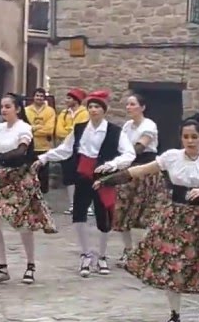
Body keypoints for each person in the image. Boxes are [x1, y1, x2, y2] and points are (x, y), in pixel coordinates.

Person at [98, 118, 199, 322]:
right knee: (172, 264)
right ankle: (174, 315)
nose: (190, 141)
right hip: (176, 217)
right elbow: (138, 171)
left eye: (194, 137)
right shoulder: (171, 157)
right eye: (186, 137)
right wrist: (107, 180)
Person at [35, 90, 135, 277]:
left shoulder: (115, 131)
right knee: (79, 215)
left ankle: (102, 256)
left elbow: (129, 154)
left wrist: (112, 165)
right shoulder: (80, 128)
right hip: (82, 174)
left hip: (103, 177)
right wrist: (44, 158)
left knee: (103, 217)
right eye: (90, 106)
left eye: (97, 107)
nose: (93, 110)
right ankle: (86, 254)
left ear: (104, 110)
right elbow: (65, 150)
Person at [0, 94, 57, 284]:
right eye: (2, 107)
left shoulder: (24, 128)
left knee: (23, 221)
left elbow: (20, 153)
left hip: (20, 178)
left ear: (18, 109)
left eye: (8, 107)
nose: (4, 110)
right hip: (0, 178)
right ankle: (2, 267)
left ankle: (30, 265)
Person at [113, 93, 162, 264]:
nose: (129, 108)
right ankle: (128, 249)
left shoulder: (149, 125)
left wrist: (123, 156)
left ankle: (146, 252)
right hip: (128, 169)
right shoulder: (127, 126)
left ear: (142, 107)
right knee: (123, 210)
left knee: (145, 212)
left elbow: (139, 148)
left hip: (145, 170)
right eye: (127, 104)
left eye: (132, 104)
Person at [53, 88, 90, 215]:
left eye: (69, 98)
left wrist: (70, 130)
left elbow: (80, 130)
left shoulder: (84, 113)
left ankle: (85, 205)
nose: (66, 100)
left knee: (82, 176)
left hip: (81, 148)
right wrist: (70, 130)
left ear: (76, 100)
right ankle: (73, 204)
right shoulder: (63, 113)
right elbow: (58, 131)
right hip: (66, 148)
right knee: (69, 177)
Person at [23, 88, 56, 194]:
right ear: (33, 97)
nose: (39, 98)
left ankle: (42, 196)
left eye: (41, 96)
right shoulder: (26, 110)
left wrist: (33, 128)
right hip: (29, 146)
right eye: (37, 95)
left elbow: (49, 130)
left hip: (44, 147)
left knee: (43, 175)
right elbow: (24, 128)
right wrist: (38, 127)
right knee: (30, 172)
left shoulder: (50, 111)